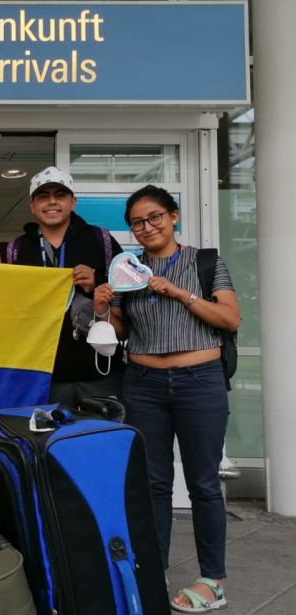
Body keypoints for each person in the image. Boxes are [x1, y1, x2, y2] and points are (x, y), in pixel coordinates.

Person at [94, 185, 240, 613]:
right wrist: (105, 307)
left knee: (203, 484)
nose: (147, 227)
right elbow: (120, 331)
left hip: (200, 382)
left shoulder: (205, 261)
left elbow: (229, 317)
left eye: (154, 217)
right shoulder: (127, 269)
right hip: (142, 384)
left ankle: (213, 579)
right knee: (152, 483)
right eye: (137, 222)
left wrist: (181, 294)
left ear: (173, 216)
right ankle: (152, 570)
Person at [5, 166, 124, 407]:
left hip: (98, 370)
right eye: (43, 196)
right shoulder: (16, 249)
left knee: (99, 441)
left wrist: (96, 281)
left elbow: (126, 291)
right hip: (42, 373)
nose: (52, 202)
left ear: (73, 201)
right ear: (32, 205)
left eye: (60, 195)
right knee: (48, 442)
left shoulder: (101, 240)